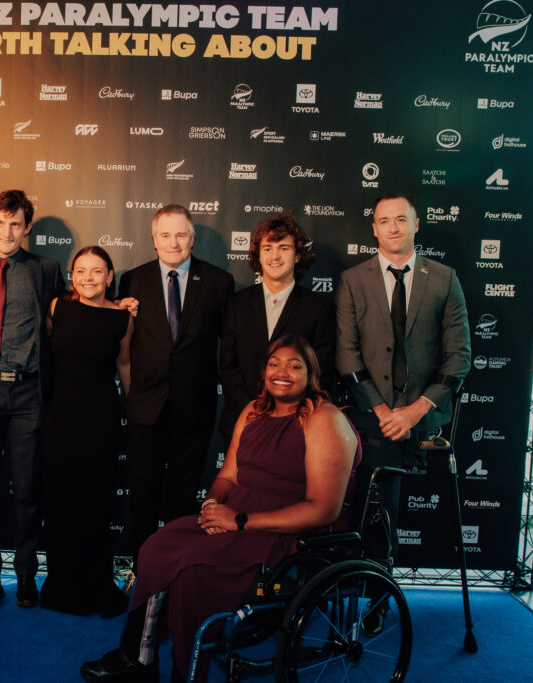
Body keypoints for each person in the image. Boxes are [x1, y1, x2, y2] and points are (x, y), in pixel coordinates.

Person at [81, 335, 361, 682]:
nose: (282, 372)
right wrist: (213, 507)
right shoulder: (253, 411)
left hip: (286, 534)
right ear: (263, 372)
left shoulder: (322, 418)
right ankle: (139, 658)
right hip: (235, 517)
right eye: (274, 363)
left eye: (294, 365)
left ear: (311, 373)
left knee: (192, 572)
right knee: (156, 546)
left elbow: (322, 511)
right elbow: (228, 476)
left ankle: (186, 672)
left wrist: (240, 521)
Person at [335, 193, 470, 567]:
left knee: (400, 506)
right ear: (374, 228)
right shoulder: (351, 280)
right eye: (384, 220)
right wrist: (381, 409)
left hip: (423, 419)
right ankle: (375, 584)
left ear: (416, 224)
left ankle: (382, 585)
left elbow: (459, 356)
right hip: (372, 418)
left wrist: (414, 411)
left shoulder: (444, 279)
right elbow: (346, 354)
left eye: (401, 219)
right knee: (374, 504)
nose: (393, 227)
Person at [0, 189, 65, 607]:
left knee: (26, 491)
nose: (7, 231)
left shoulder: (47, 269)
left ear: (27, 228)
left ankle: (25, 574)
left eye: (15, 224)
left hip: (27, 392)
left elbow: (74, 311)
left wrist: (119, 305)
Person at [116, 204, 234, 561]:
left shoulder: (218, 282)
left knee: (183, 500)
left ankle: (176, 574)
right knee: (143, 496)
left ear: (193, 238)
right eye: (165, 235)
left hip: (194, 410)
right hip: (145, 408)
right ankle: (142, 570)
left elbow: (229, 346)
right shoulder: (132, 280)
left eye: (181, 234)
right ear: (153, 240)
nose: (173, 242)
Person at [39, 246, 134, 618]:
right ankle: (62, 584)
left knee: (95, 503)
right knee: (60, 501)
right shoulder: (56, 309)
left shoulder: (124, 318)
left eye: (97, 271)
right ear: (71, 275)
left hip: (100, 420)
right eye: (82, 271)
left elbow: (125, 367)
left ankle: (96, 583)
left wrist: (135, 412)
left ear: (110, 276)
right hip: (58, 416)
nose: (89, 278)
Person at [220, 213, 335, 436]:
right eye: (267, 248)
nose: (275, 256)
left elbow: (322, 371)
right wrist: (253, 411)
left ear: (298, 256)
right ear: (258, 255)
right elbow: (228, 366)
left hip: (296, 425)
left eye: (284, 248)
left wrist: (287, 413)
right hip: (244, 421)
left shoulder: (319, 308)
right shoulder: (236, 303)